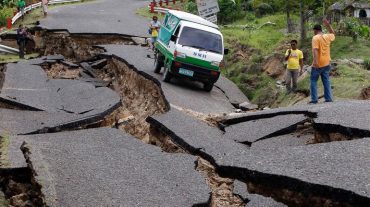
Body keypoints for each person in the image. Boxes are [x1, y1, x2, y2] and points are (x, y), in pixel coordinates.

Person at [310, 19, 335, 104]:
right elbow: (333, 34)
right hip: (327, 63)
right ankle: (328, 98)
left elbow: (315, 50)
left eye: (313, 31)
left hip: (318, 64)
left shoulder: (315, 38)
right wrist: (328, 25)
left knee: (313, 80)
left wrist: (316, 62)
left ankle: (314, 100)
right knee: (326, 81)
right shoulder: (327, 36)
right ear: (321, 30)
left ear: (315, 30)